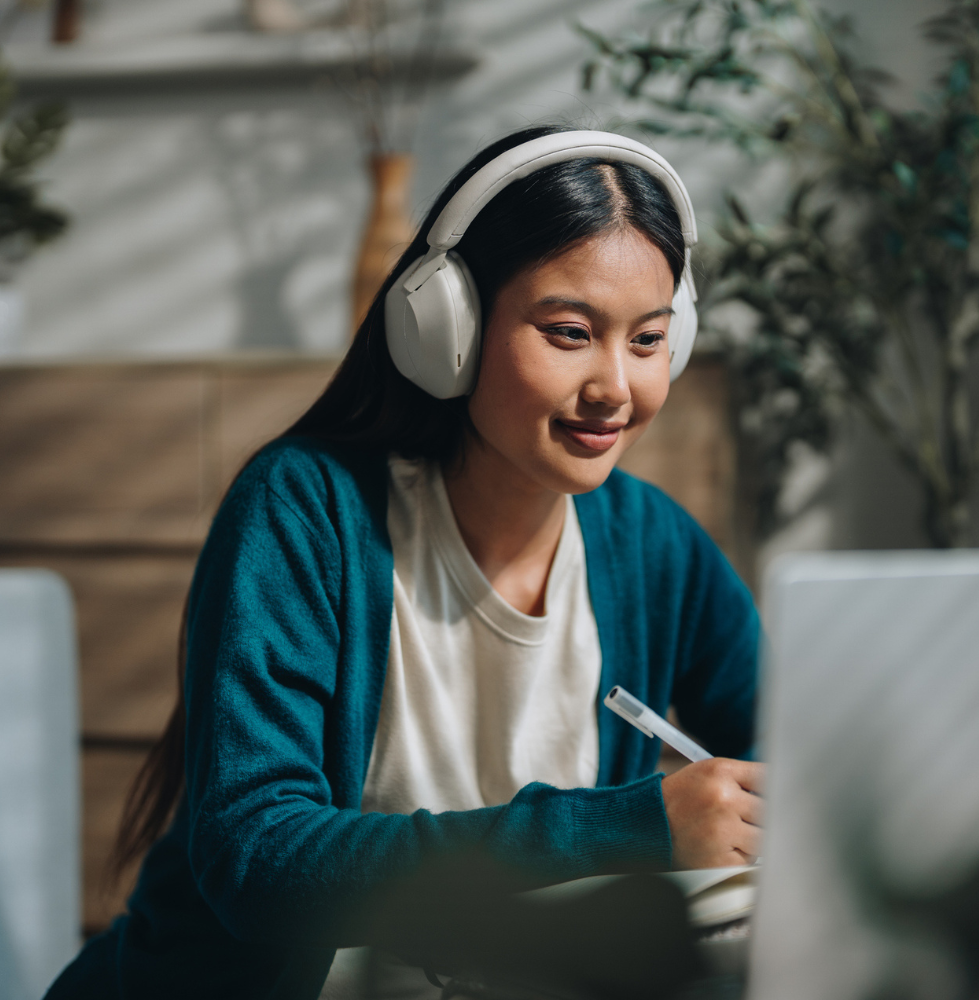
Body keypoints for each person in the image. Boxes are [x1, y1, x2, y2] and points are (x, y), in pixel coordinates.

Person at [46, 126, 763, 1000]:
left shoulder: (656, 547)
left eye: (648, 339)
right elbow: (259, 861)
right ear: (448, 325)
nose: (617, 385)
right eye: (571, 332)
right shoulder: (305, 509)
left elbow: (798, 762)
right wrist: (628, 828)